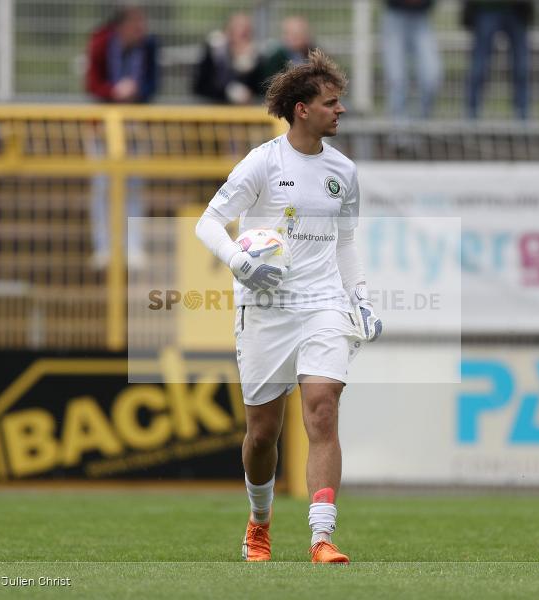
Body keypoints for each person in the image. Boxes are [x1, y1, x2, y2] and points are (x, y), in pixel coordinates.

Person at [194, 50, 383, 563]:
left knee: (322, 410)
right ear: (302, 109)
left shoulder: (343, 171)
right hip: (265, 308)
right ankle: (259, 523)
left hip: (322, 304)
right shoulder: (263, 162)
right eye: (331, 102)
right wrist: (238, 260)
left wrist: (359, 299)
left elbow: (345, 242)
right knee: (263, 433)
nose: (340, 111)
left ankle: (322, 538)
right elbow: (208, 222)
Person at [85, 6, 159, 268]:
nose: (142, 28)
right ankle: (103, 248)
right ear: (123, 25)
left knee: (134, 187)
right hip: (102, 126)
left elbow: (152, 84)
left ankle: (134, 247)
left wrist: (136, 91)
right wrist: (114, 90)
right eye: (137, 23)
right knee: (102, 186)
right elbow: (92, 83)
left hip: (135, 126)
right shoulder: (100, 41)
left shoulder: (149, 46)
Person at [462, 0, 534, 120]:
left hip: (517, 9)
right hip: (486, 8)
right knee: (479, 66)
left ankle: (523, 115)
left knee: (521, 67)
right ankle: (471, 114)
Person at [382, 0, 442, 120]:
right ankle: (399, 131)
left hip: (421, 18)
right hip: (395, 16)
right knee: (396, 80)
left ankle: (422, 126)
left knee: (431, 76)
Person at [193, 13, 265, 105]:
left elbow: (261, 90)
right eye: (238, 31)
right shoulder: (214, 52)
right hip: (213, 108)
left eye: (246, 33)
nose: (242, 37)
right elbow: (200, 87)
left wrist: (249, 68)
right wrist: (227, 92)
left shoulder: (256, 56)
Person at [260, 16, 317, 87]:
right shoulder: (276, 58)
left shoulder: (314, 54)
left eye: (301, 34)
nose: (296, 38)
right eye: (294, 35)